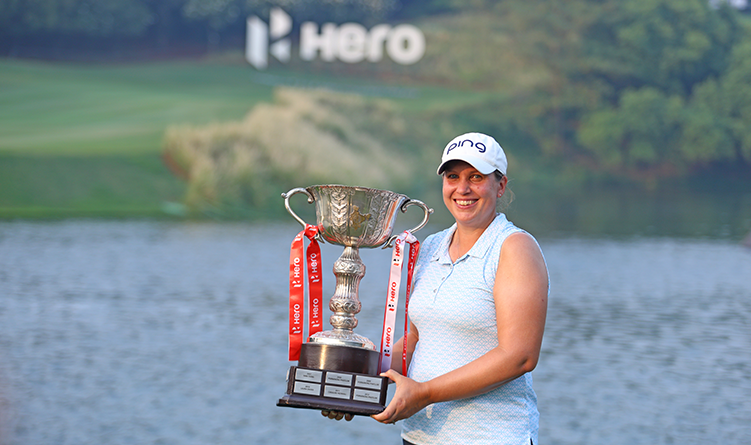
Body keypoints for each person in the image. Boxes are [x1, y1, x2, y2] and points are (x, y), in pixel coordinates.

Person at [325, 132, 549, 445]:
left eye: (476, 177)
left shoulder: (514, 248)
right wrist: (354, 380)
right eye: (453, 176)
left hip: (490, 437)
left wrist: (426, 393)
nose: (463, 188)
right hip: (420, 436)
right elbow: (417, 338)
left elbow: (519, 356)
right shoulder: (432, 246)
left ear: (500, 186)